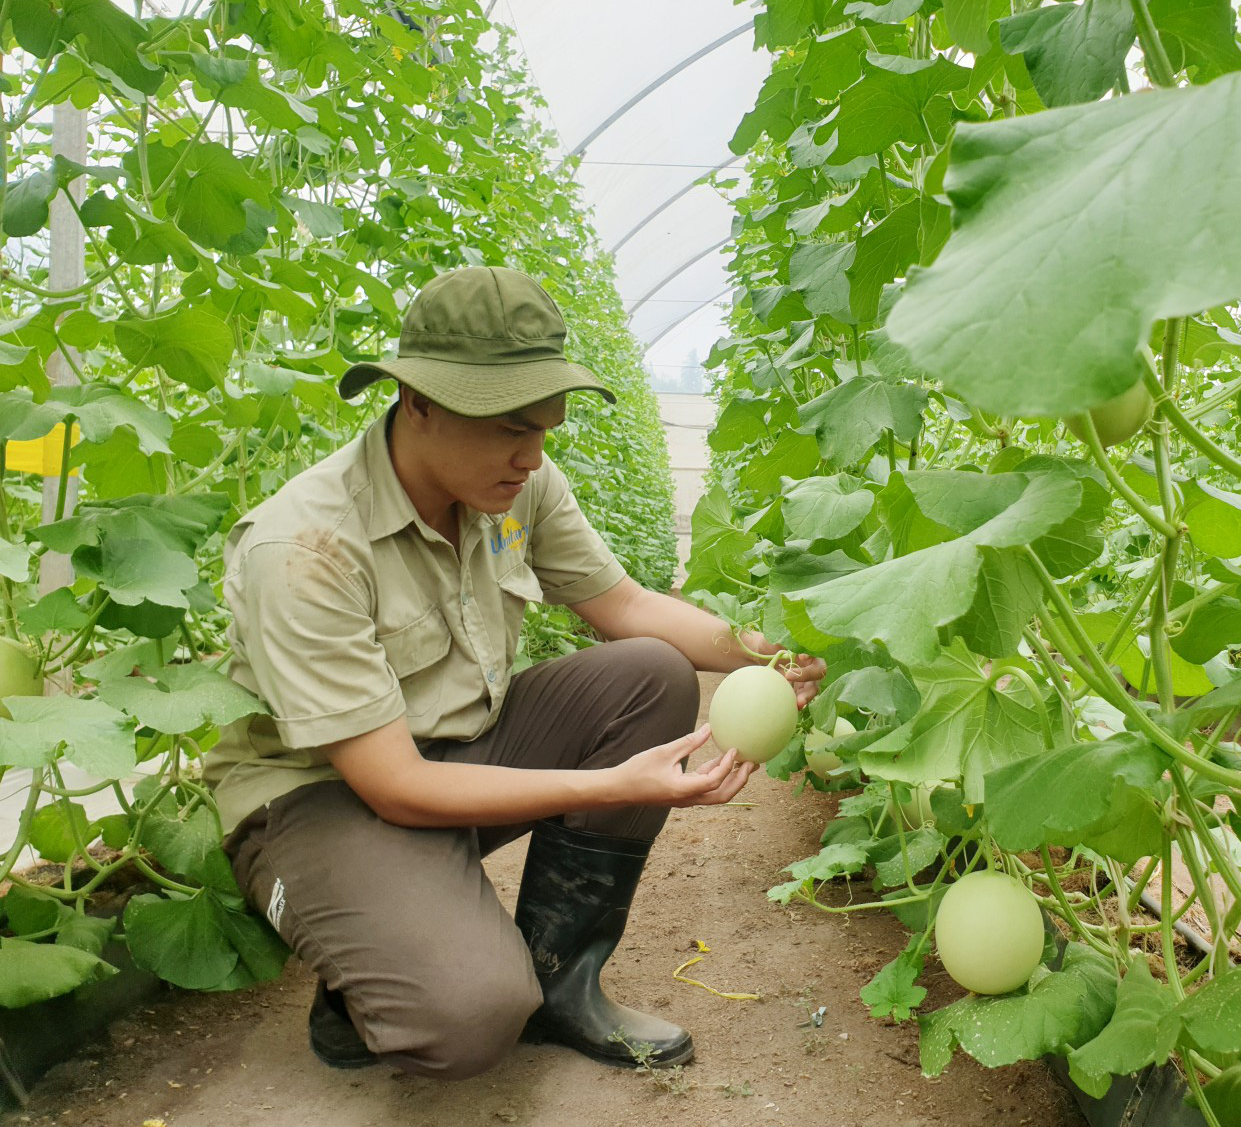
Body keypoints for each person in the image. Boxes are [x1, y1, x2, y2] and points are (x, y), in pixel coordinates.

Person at [202, 266, 823, 1080]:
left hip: (456, 749)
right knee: (467, 1018)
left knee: (648, 674)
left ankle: (561, 982)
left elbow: (628, 607)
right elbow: (392, 786)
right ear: (416, 403)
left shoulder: (517, 484)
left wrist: (771, 652)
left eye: (545, 431)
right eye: (509, 429)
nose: (531, 457)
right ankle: (373, 965)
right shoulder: (307, 549)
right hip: (322, 797)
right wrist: (612, 786)